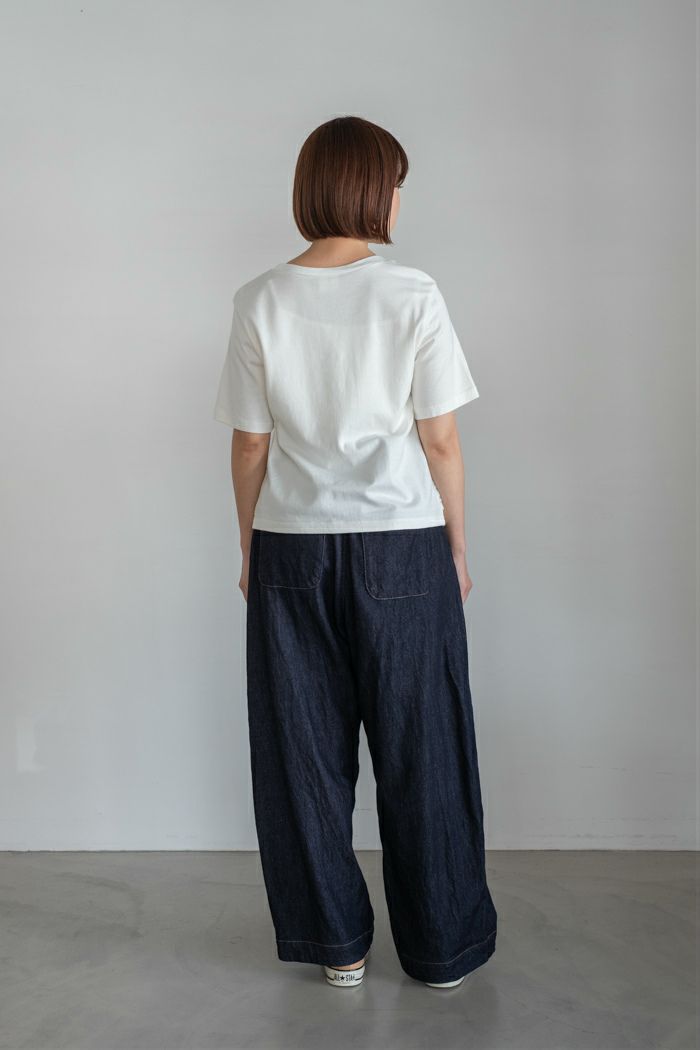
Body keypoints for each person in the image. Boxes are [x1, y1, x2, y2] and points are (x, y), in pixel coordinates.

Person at [213, 115, 497, 989]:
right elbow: (439, 438)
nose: (400, 199)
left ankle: (336, 946)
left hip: (291, 550)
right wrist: (455, 545)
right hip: (404, 546)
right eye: (397, 183)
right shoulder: (411, 293)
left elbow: (251, 444)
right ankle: (441, 951)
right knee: (425, 747)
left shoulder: (260, 299)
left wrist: (251, 548)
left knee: (301, 752)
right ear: (375, 192)